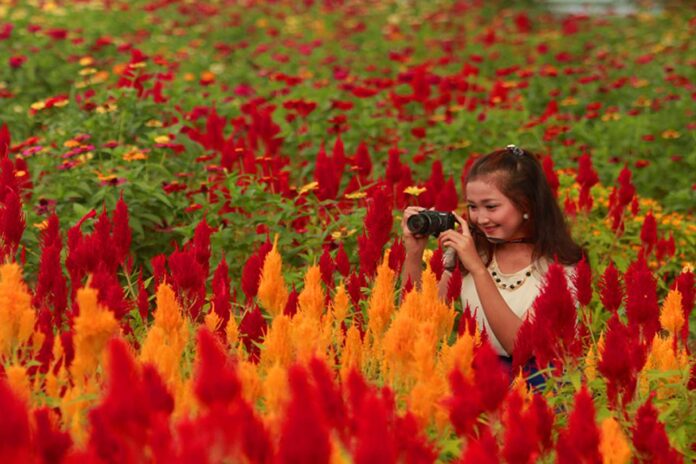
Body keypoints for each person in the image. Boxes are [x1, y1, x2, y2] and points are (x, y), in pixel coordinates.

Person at [400, 145, 584, 382]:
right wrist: (413, 255)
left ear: (526, 205)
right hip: (479, 378)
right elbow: (419, 320)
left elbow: (520, 347)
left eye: (491, 206)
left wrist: (477, 269)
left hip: (542, 389)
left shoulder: (560, 268)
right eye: (473, 207)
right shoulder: (474, 253)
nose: (480, 218)